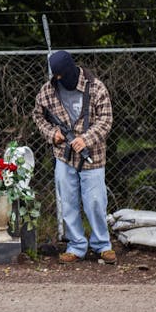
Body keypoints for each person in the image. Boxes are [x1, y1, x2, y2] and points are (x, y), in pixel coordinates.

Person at [32, 50, 116, 264]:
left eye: (62, 75)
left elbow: (106, 121)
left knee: (96, 202)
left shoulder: (95, 87)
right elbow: (38, 116)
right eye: (56, 76)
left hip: (93, 156)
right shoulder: (48, 91)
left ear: (71, 70)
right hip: (63, 156)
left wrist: (86, 139)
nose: (59, 80)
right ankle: (76, 245)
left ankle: (102, 245)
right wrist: (54, 135)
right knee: (68, 201)